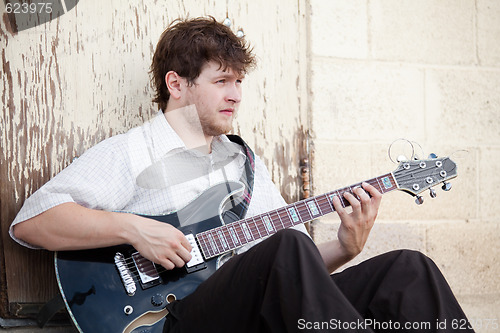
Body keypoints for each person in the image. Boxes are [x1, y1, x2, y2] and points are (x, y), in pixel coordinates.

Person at [10, 17, 473, 333]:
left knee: (409, 270)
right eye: (221, 81)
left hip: (243, 312)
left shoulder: (242, 162)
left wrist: (344, 249)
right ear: (177, 84)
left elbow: (289, 277)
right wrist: (134, 228)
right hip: (167, 320)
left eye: (239, 82)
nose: (235, 95)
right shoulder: (135, 150)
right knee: (288, 246)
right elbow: (31, 223)